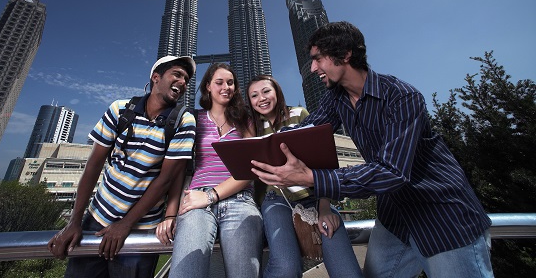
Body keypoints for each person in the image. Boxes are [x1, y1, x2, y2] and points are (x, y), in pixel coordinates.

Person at [251, 22, 494, 278]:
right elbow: (306, 131)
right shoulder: (336, 99)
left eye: (318, 59)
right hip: (396, 219)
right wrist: (262, 146)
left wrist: (312, 178)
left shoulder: (402, 97)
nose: (312, 68)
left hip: (443, 218)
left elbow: (392, 172)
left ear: (345, 54)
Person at [48, 55, 197, 278]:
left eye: (186, 79)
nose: (183, 82)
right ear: (156, 77)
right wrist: (75, 221)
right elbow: (93, 166)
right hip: (96, 219)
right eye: (177, 74)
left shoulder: (183, 121)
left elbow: (165, 179)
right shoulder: (120, 109)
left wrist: (125, 224)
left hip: (140, 230)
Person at [246, 75, 363, 278]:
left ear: (277, 92)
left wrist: (325, 207)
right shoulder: (253, 128)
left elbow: (323, 162)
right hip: (276, 200)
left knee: (347, 272)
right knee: (286, 268)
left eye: (266, 91)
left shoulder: (299, 114)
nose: (261, 98)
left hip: (314, 197)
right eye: (254, 96)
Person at [156, 62, 263, 278]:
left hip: (239, 200)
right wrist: (170, 213)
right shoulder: (193, 118)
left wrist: (211, 196)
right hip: (196, 199)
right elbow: (177, 166)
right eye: (220, 82)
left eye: (231, 83)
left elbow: (251, 167)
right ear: (207, 86)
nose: (226, 87)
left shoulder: (245, 120)